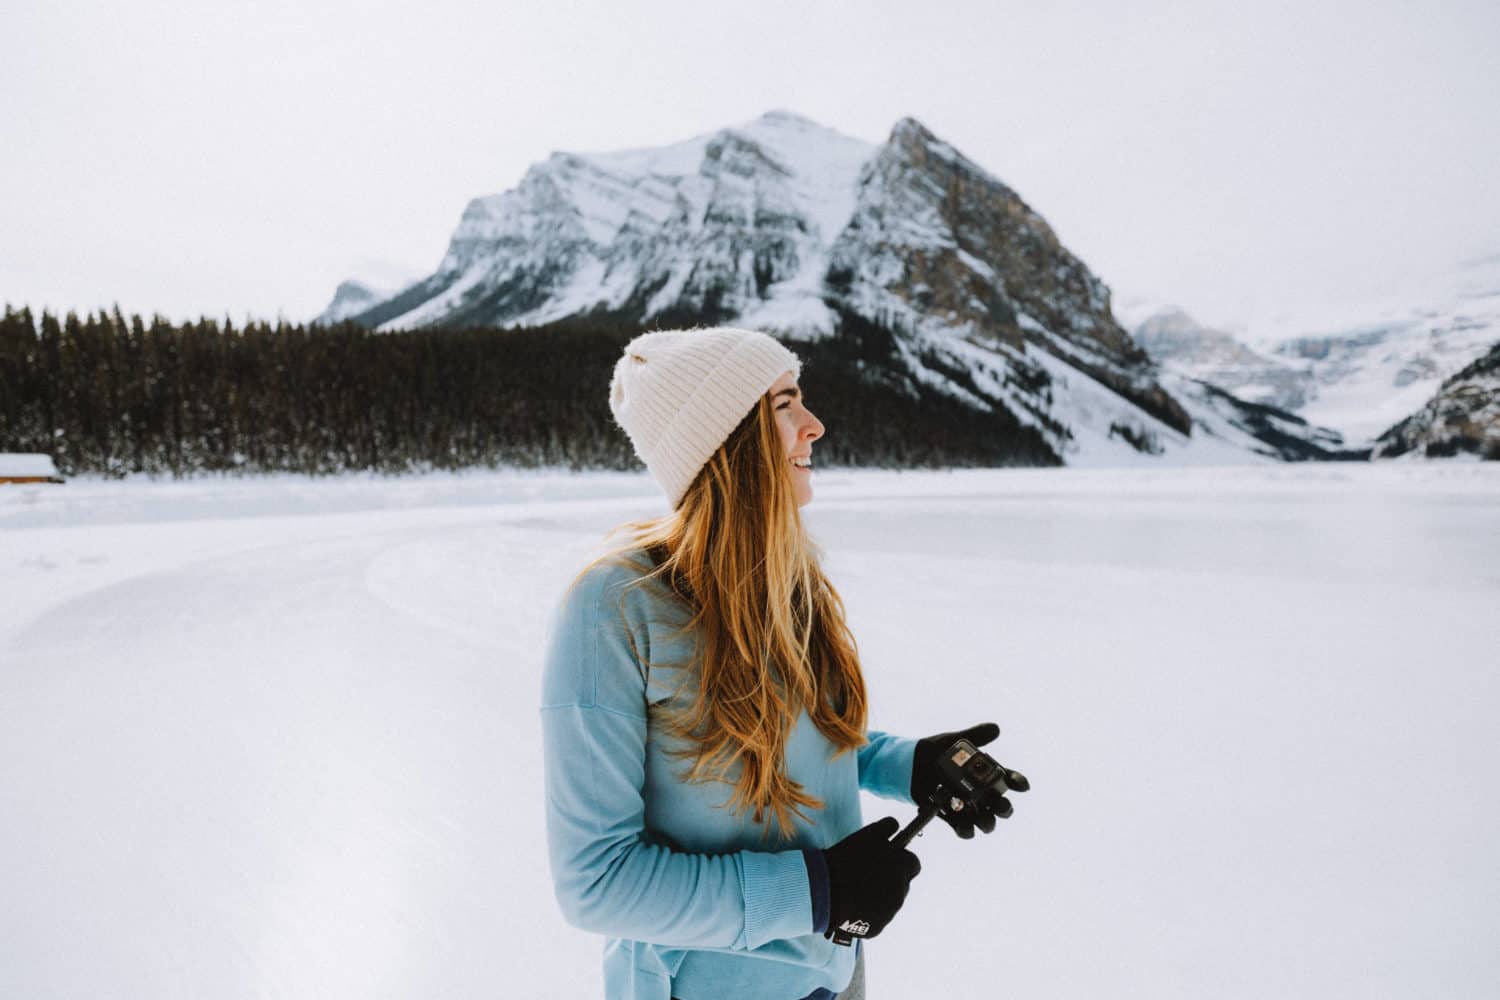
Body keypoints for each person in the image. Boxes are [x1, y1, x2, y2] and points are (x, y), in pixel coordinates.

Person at [541, 327, 1017, 1000]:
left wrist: (905, 764)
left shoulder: (790, 585)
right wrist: (815, 891)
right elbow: (596, 883)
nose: (814, 426)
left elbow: (786, 742)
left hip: (832, 973)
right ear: (727, 440)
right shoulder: (615, 608)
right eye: (785, 404)